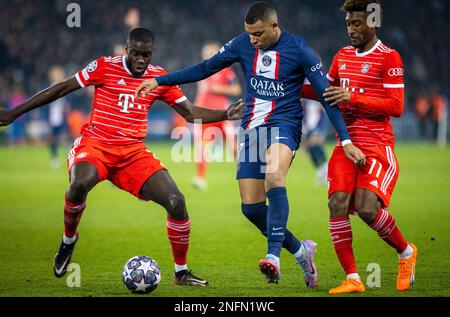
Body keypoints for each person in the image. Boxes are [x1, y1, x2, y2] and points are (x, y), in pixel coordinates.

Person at [136, 2, 365, 286]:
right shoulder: (242, 44)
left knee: (274, 177)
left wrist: (345, 140)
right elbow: (204, 68)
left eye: (258, 34)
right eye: (249, 34)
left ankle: (273, 257)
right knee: (252, 209)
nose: (253, 40)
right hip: (253, 128)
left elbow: (327, 95)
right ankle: (299, 249)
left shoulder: (300, 49)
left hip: (285, 124)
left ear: (274, 26)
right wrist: (160, 80)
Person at [0, 27, 244, 287]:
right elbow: (62, 88)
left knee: (176, 201)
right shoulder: (104, 66)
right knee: (79, 184)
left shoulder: (159, 77)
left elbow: (189, 112)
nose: (141, 60)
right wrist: (15, 112)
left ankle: (181, 273)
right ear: (126, 49)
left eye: (146, 55)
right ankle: (68, 240)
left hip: (132, 153)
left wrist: (225, 114)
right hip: (97, 145)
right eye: (136, 53)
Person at [317, 0, 417, 294]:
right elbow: (326, 92)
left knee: (367, 209)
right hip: (346, 144)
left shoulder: (390, 58)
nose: (351, 29)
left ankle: (406, 252)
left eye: (357, 23)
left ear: (372, 22)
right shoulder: (342, 56)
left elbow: (396, 106)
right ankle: (353, 279)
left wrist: (353, 98)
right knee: (335, 203)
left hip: (377, 144)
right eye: (348, 24)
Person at [192, 41, 242, 191]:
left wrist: (217, 88)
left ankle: (245, 174)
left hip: (222, 113)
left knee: (233, 147)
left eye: (210, 53)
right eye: (206, 53)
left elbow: (236, 89)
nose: (207, 56)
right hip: (204, 114)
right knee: (203, 147)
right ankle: (200, 179)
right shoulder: (201, 69)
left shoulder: (226, 71)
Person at [302, 98, 330, 186]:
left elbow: (325, 114)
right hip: (307, 128)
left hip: (317, 127)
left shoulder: (317, 99)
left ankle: (327, 173)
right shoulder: (305, 101)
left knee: (316, 145)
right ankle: (321, 173)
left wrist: (322, 130)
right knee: (310, 149)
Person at [47, 66, 70, 169]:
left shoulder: (64, 86)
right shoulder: (49, 87)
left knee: (64, 137)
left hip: (62, 117)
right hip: (52, 117)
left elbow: (67, 102)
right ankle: (54, 157)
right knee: (52, 138)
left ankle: (68, 155)